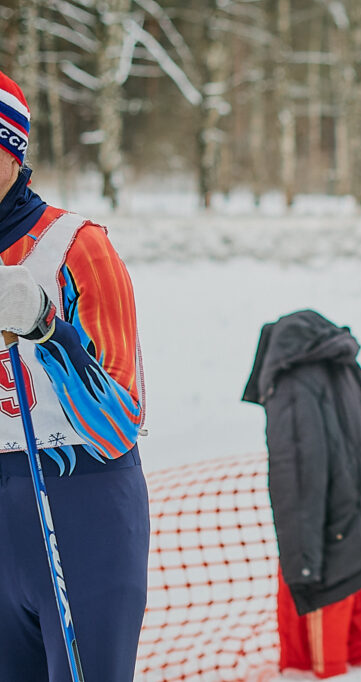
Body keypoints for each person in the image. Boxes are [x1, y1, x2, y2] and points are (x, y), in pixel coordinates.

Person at [0, 70, 148, 680]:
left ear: (13, 151)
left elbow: (119, 421)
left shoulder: (74, 245)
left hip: (78, 505)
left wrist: (47, 331)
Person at [242, 310, 361, 678]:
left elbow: (297, 477)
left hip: (329, 546)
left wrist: (303, 565)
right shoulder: (344, 365)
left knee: (320, 666)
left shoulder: (292, 379)